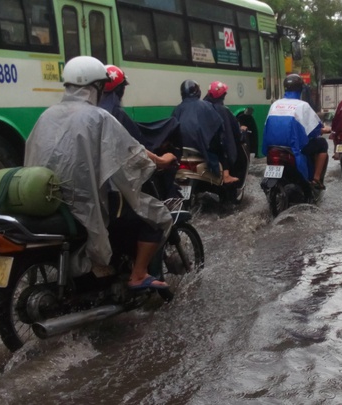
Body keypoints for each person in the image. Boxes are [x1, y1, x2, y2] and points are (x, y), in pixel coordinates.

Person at [24, 56, 172, 290]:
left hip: (51, 202)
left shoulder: (47, 115)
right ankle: (138, 275)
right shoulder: (99, 117)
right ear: (96, 87)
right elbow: (132, 157)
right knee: (155, 217)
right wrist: (160, 162)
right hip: (85, 206)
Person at [99, 64, 183, 200]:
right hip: (116, 185)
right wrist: (161, 160)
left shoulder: (83, 113)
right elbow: (133, 147)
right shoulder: (115, 114)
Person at [262, 73, 330, 189]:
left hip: (273, 147)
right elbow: (314, 129)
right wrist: (324, 129)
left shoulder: (275, 104)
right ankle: (316, 179)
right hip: (294, 147)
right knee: (322, 144)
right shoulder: (303, 105)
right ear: (301, 89)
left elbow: (267, 126)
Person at [172, 79, 238, 184]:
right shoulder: (207, 106)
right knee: (222, 144)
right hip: (202, 149)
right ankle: (226, 175)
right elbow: (218, 128)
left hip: (182, 150)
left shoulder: (178, 109)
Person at [203, 80, 247, 179]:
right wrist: (243, 132)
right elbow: (237, 134)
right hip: (216, 149)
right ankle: (228, 177)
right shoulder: (224, 110)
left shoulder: (202, 107)